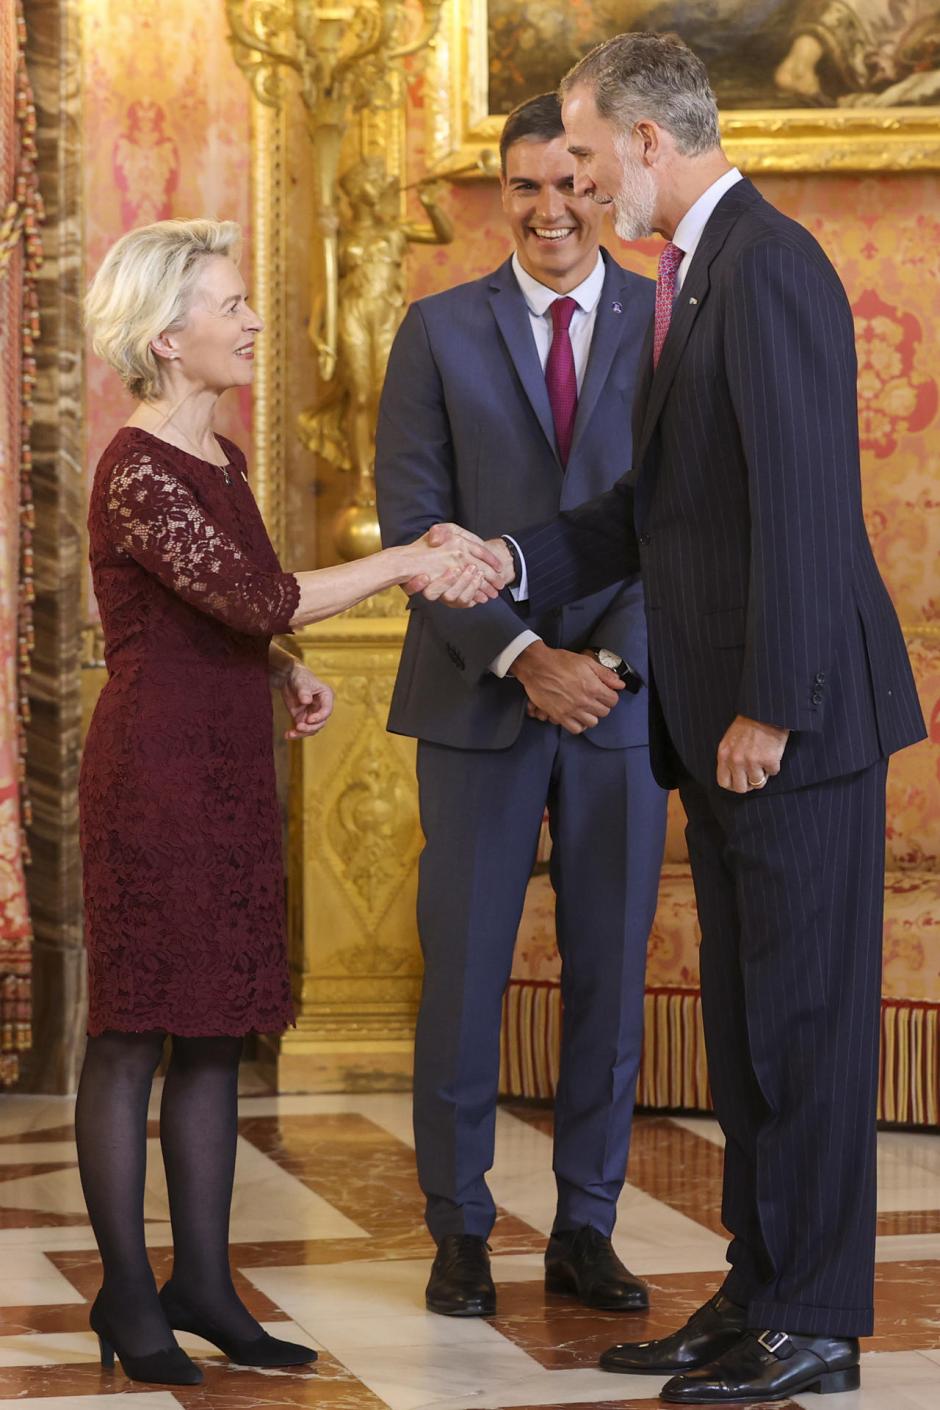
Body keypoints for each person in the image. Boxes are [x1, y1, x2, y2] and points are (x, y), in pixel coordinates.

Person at [419, 32, 926, 1405]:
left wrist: (772, 703)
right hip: (729, 730)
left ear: (648, 142)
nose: (574, 187)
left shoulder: (767, 265)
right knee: (754, 1028)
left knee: (806, 1031)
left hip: (791, 728)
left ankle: (816, 1323)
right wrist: (514, 563)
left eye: (584, 156)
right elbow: (661, 512)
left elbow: (812, 510)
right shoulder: (696, 276)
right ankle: (759, 1296)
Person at [78, 218, 500, 1389]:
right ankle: (127, 1292)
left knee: (216, 1033)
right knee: (131, 1034)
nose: (253, 318)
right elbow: (261, 593)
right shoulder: (137, 468)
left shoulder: (223, 456)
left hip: (226, 766)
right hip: (154, 778)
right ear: (168, 336)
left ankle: (203, 1284)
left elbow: (240, 618)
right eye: (230, 302)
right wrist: (411, 558)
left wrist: (286, 670)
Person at [376, 91, 667, 1320]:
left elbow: (686, 521)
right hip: (478, 698)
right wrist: (521, 657)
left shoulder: (668, 320)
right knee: (463, 979)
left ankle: (587, 1228)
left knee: (609, 973)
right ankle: (459, 1230)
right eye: (523, 187)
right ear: (499, 192)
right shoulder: (436, 330)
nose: (549, 210)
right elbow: (413, 530)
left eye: (570, 183)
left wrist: (607, 668)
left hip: (622, 703)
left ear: (603, 182)